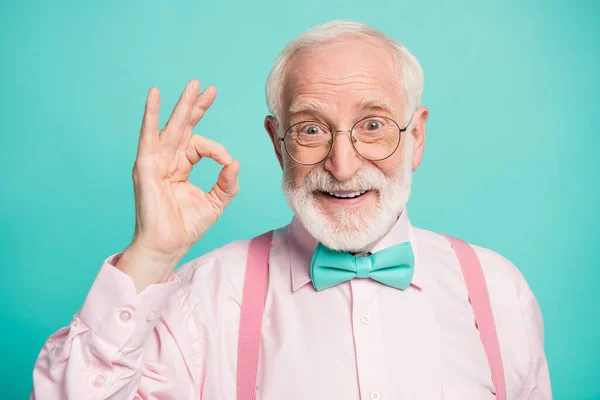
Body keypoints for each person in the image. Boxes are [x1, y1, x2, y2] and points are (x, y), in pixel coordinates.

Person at [31, 20, 551, 399]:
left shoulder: (500, 292)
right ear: (278, 145)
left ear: (415, 137)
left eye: (372, 125)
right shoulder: (202, 298)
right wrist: (150, 254)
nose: (343, 166)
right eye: (311, 129)